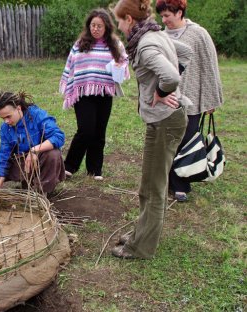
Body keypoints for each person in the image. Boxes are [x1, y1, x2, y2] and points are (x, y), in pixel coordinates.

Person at [110, 0, 192, 259]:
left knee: (154, 188)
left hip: (166, 120)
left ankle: (142, 248)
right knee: (147, 185)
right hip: (163, 119)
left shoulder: (145, 45)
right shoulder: (154, 34)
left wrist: (161, 91)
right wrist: (165, 88)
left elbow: (172, 77)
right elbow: (185, 53)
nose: (119, 26)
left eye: (119, 21)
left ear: (129, 20)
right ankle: (141, 233)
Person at [156, 0, 223, 202]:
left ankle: (181, 184)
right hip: (166, 97)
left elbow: (209, 66)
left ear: (179, 12)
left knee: (186, 140)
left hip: (191, 97)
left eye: (167, 15)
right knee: (166, 140)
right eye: (162, 15)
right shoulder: (161, 36)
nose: (164, 20)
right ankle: (165, 180)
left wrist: (211, 99)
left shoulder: (198, 34)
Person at [60, 8, 129, 181]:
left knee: (99, 132)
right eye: (92, 25)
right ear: (88, 26)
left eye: (99, 26)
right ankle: (69, 166)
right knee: (86, 130)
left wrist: (120, 66)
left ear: (106, 27)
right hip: (83, 92)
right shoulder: (80, 44)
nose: (95, 29)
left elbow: (124, 62)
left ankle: (94, 169)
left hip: (105, 93)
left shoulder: (115, 44)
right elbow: (71, 66)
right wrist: (68, 84)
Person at [0, 91, 66, 196]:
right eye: (3, 118)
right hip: (22, 161)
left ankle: (42, 192)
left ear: (18, 108)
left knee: (53, 154)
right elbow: (4, 156)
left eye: (8, 116)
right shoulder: (5, 128)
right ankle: (27, 182)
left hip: (41, 158)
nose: (6, 121)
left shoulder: (37, 115)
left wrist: (34, 150)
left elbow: (58, 137)